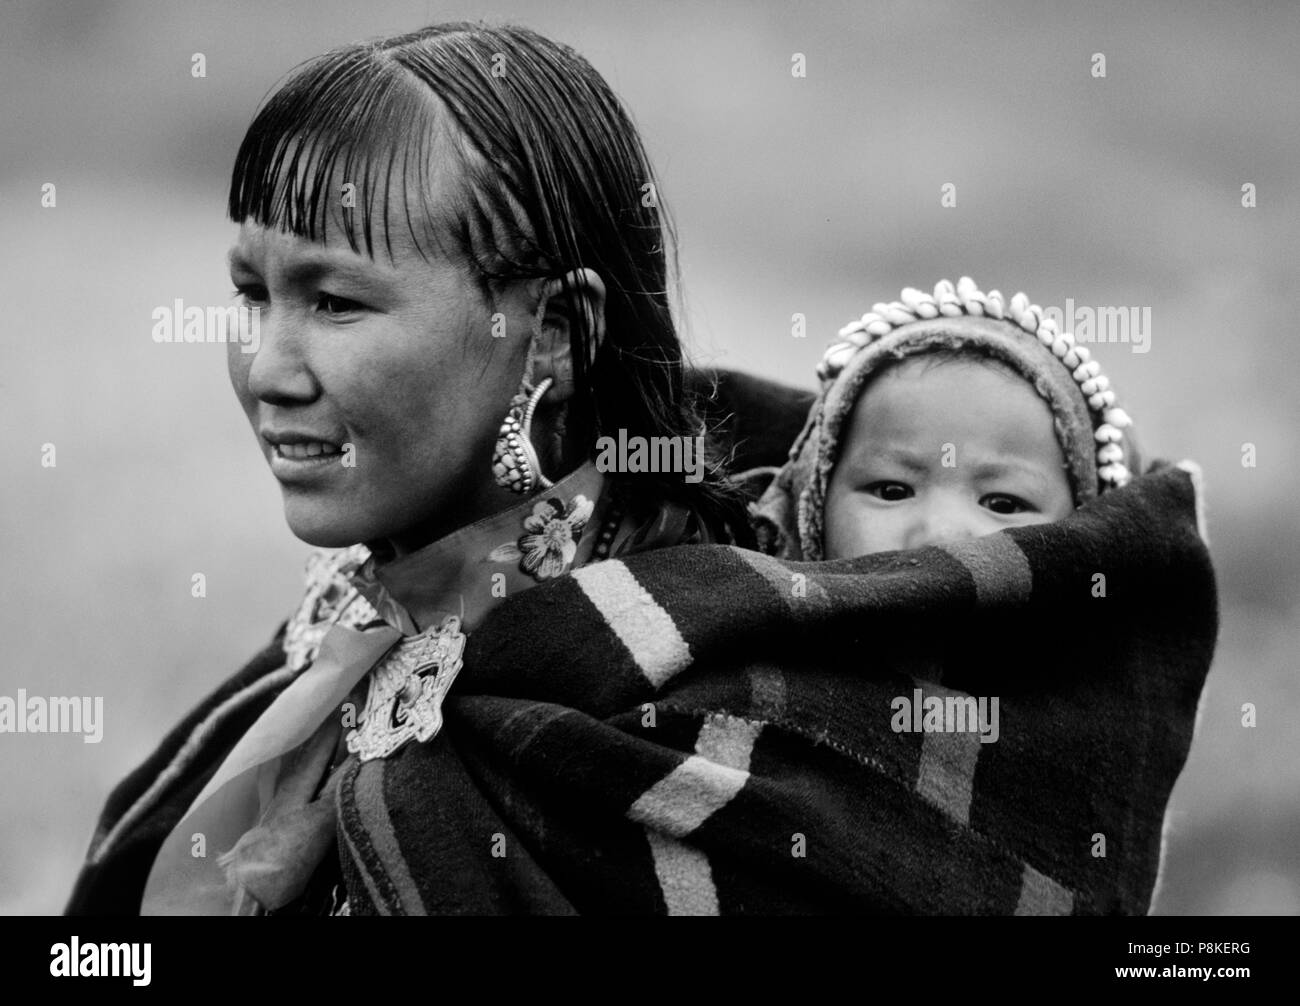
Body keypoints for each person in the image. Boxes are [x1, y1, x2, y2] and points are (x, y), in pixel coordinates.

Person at [749, 276, 1139, 560]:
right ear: (813, 506)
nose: (941, 534)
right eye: (892, 491)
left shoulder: (1103, 667)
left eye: (1002, 503)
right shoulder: (751, 629)